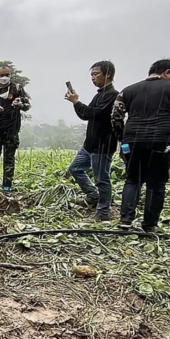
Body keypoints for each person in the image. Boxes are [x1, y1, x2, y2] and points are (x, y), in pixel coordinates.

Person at [111, 58, 170, 232]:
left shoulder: (127, 90)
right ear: (167, 72)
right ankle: (149, 226)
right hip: (163, 140)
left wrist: (122, 139)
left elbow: (115, 116)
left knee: (132, 180)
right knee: (156, 183)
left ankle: (126, 221)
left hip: (132, 141)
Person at [65, 61, 119, 221]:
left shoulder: (112, 95)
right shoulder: (100, 94)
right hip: (89, 145)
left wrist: (76, 101)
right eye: (91, 75)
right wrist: (76, 102)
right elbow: (85, 115)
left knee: (102, 179)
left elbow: (94, 113)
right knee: (75, 169)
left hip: (103, 145)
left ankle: (103, 212)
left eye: (96, 74)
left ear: (108, 74)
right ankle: (93, 195)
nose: (93, 78)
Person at [0, 65, 31, 194]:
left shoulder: (17, 89)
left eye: (7, 75)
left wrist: (20, 105)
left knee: (9, 157)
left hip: (12, 128)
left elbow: (27, 105)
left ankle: (7, 186)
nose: (4, 78)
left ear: (10, 75)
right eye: (1, 75)